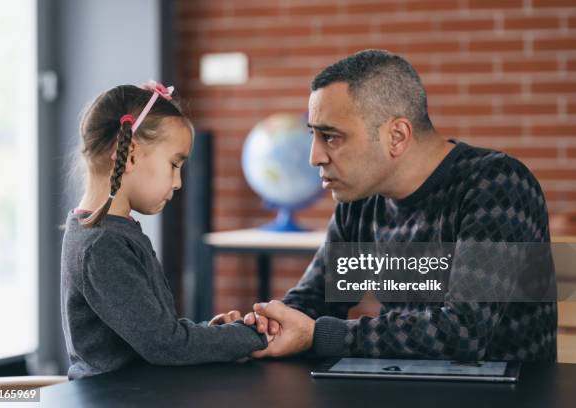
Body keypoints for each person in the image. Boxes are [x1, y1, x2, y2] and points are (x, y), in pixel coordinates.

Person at [227, 49, 557, 361]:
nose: (315, 157)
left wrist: (318, 335)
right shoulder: (362, 198)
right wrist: (257, 328)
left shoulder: (496, 183)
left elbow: (464, 332)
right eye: (313, 135)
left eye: (331, 137)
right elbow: (314, 301)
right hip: (401, 387)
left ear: (396, 136)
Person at [60, 82, 270, 380]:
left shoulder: (110, 233)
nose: (178, 182)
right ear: (131, 154)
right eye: (174, 165)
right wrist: (253, 336)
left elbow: (153, 330)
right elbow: (165, 345)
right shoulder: (102, 245)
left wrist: (213, 336)